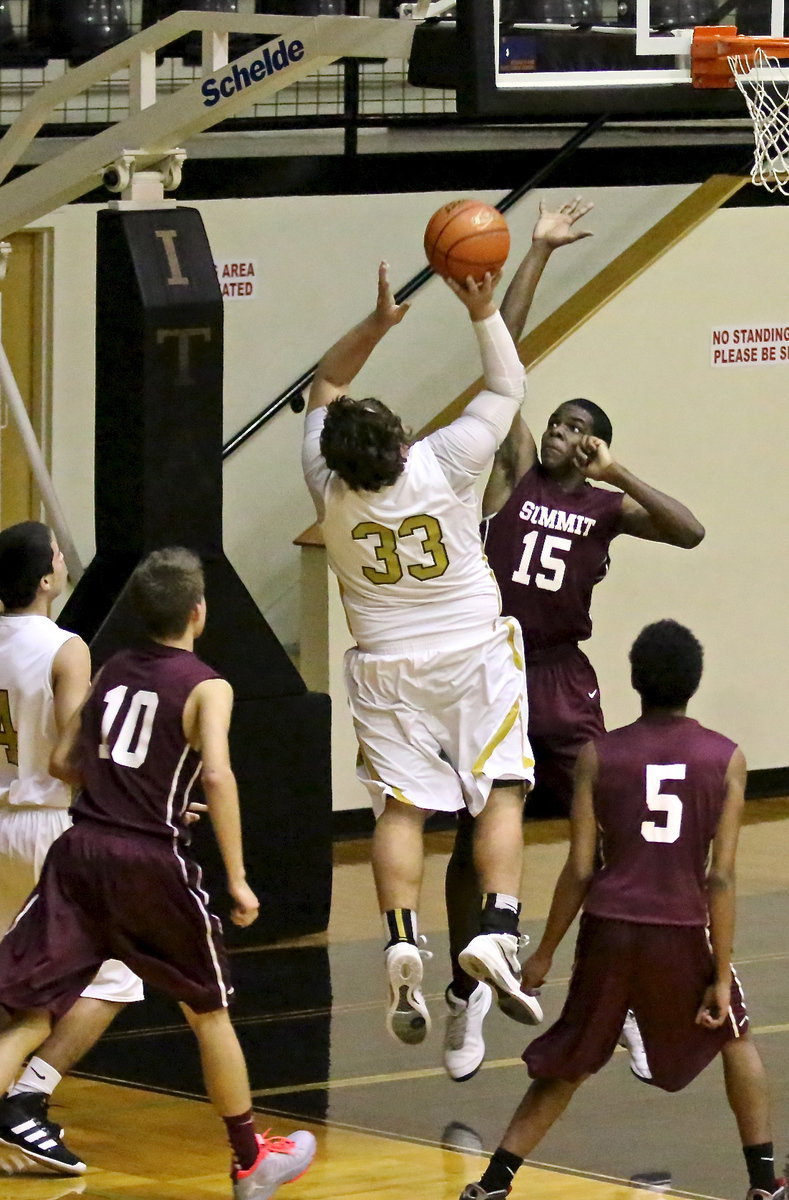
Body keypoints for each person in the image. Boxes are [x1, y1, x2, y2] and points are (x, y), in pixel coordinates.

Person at [443, 199, 706, 1082]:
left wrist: (620, 468)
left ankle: (614, 998)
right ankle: (466, 988)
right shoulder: (514, 470)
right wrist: (540, 253)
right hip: (492, 668)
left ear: (593, 446)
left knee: (612, 835)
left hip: (562, 678)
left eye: (577, 430)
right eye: (556, 422)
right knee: (475, 831)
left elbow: (690, 531)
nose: (560, 434)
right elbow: (501, 360)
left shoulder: (606, 503)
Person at [0, 547, 316, 1199]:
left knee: (27, 1008)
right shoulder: (207, 685)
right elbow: (221, 776)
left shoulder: (112, 666)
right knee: (209, 1012)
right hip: (149, 860)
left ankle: (22, 1100)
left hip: (80, 848)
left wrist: (128, 783)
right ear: (198, 613)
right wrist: (236, 876)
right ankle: (249, 1157)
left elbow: (63, 760)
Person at [302, 262, 543, 1046]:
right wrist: (479, 310)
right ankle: (497, 927)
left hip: (383, 662)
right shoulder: (443, 462)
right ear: (402, 441)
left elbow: (323, 384)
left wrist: (375, 325)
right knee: (500, 788)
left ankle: (402, 934)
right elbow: (506, 384)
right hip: (470, 652)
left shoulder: (325, 484)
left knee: (402, 808)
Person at [460, 619, 782, 1200]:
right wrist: (719, 971)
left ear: (634, 681)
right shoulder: (726, 758)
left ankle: (492, 1183)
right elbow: (722, 875)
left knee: (573, 1061)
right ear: (695, 682)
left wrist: (544, 954)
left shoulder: (596, 755)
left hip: (608, 928)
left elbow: (580, 868)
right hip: (681, 928)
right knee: (736, 1037)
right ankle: (765, 1183)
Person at [0, 520, 145, 1174]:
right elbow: (71, 758)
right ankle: (24, 1103)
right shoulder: (66, 648)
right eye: (58, 556)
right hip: (47, 829)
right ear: (45, 579)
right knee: (115, 974)